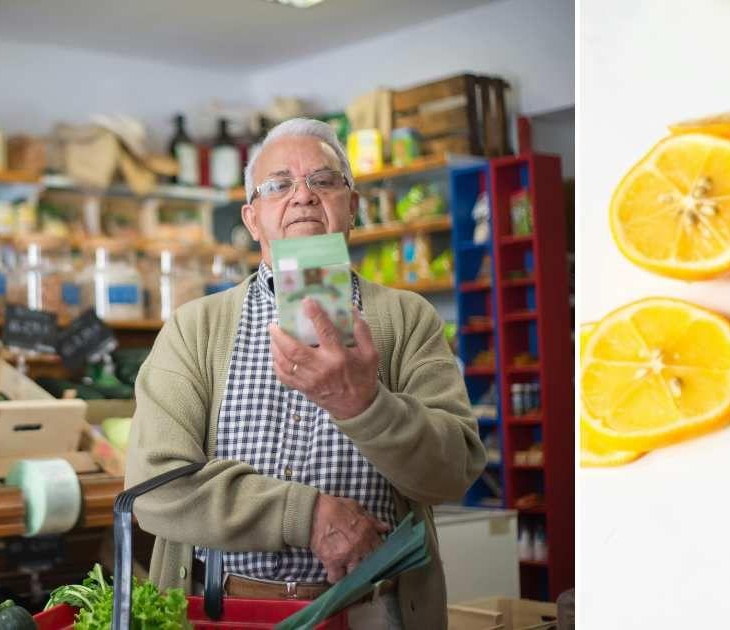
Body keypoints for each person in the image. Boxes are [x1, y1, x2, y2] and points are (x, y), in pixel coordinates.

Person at [125, 117, 485, 629]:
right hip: (223, 611)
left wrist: (363, 405)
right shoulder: (194, 328)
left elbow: (451, 474)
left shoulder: (407, 318)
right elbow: (153, 489)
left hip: (372, 610)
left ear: (353, 207)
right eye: (279, 185)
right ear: (253, 219)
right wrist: (307, 514)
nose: (303, 196)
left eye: (323, 180)